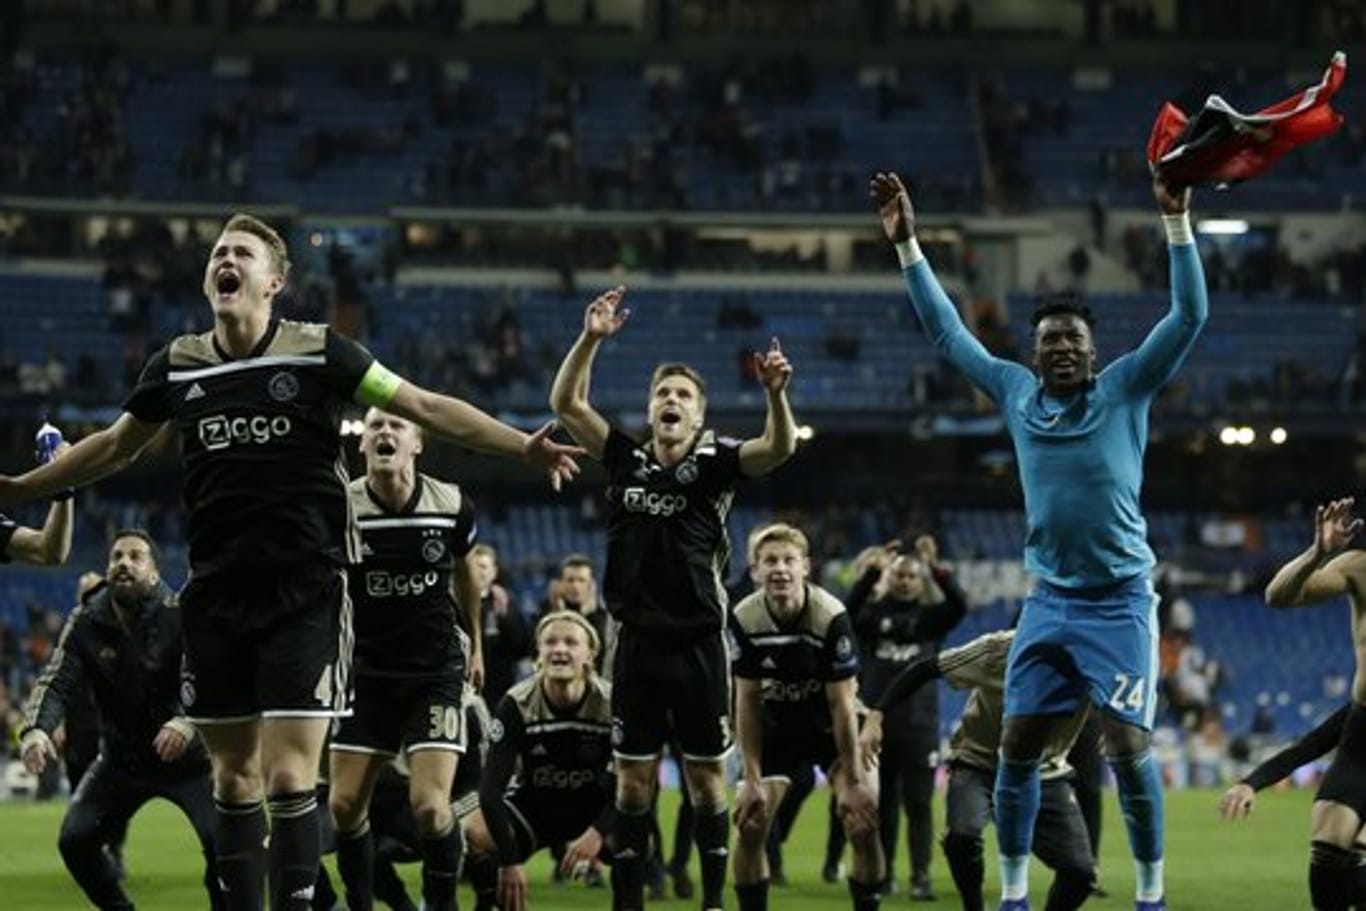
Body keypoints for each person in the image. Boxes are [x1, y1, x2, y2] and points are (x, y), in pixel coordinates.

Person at [0, 213, 582, 911]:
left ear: (274, 281)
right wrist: (21, 488)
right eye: (218, 252)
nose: (226, 260)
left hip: (305, 592)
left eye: (242, 252)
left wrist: (522, 446)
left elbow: (424, 404)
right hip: (215, 597)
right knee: (232, 782)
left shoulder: (320, 353)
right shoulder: (180, 363)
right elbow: (116, 444)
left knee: (286, 778)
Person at [872, 170, 1207, 911]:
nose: (1059, 348)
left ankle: (1152, 894)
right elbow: (946, 333)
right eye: (1048, 339)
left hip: (1120, 600)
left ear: (1092, 351)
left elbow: (1187, 317)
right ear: (1034, 350)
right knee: (1018, 746)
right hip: (1049, 600)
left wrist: (1176, 223)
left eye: (1072, 340)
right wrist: (909, 249)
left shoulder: (1124, 388)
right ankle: (1015, 897)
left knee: (1126, 748)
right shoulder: (1017, 393)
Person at [549, 285, 799, 911]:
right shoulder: (625, 459)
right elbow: (565, 402)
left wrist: (775, 396)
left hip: (697, 645)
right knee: (633, 784)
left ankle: (713, 901)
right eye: (662, 393)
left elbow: (780, 448)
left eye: (683, 395)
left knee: (707, 783)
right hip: (634, 643)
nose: (670, 400)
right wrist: (592, 339)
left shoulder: (719, 463)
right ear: (650, 408)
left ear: (699, 416)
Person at [327, 406, 482, 911]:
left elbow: (465, 575)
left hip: (433, 671)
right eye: (375, 426)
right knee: (344, 807)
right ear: (362, 443)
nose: (385, 431)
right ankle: (361, 903)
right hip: (364, 673)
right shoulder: (339, 508)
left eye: (398, 425)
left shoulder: (453, 504)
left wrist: (476, 642)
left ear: (418, 443)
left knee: (431, 807)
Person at [20, 530, 224, 911]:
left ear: (154, 572)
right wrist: (35, 730)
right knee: (75, 840)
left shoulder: (180, 613)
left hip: (191, 764)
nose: (123, 564)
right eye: (116, 557)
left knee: (226, 847)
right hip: (121, 761)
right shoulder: (84, 620)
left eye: (135, 556)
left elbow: (212, 677)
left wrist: (186, 722)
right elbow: (56, 678)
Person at [861, 631, 1095, 911]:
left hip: (1046, 772)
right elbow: (926, 668)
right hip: (978, 763)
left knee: (1081, 874)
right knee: (962, 837)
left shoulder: (1096, 661)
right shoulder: (1000, 650)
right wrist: (877, 715)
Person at [730, 523, 883, 911]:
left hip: (831, 728)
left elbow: (842, 705)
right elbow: (745, 700)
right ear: (755, 571)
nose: (780, 569)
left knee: (862, 822)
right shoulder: (744, 617)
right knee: (749, 825)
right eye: (770, 561)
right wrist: (749, 779)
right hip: (775, 726)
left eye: (788, 560)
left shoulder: (831, 615)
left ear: (805, 567)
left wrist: (852, 780)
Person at [463, 610, 617, 911]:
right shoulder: (516, 704)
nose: (560, 649)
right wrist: (509, 861)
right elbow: (490, 792)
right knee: (477, 831)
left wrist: (598, 831)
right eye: (551, 642)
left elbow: (638, 784)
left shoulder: (612, 704)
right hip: (536, 809)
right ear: (539, 653)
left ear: (590, 655)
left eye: (571, 642)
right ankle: (488, 905)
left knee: (635, 837)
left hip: (593, 810)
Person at [849, 534, 967, 899]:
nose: (904, 581)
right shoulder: (872, 616)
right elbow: (847, 610)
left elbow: (960, 604)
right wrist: (872, 573)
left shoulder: (932, 620)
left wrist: (936, 568)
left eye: (912, 576)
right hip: (876, 729)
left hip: (920, 726)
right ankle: (883, 876)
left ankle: (920, 877)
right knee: (881, 806)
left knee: (919, 805)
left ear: (920, 582)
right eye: (899, 575)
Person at [1264, 497, 1366, 911]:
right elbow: (1279, 596)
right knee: (1329, 845)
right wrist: (1318, 554)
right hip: (1363, 731)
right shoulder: (1360, 566)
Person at [472, 543, 531, 709]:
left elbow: (521, 647)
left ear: (494, 572)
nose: (479, 571)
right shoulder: (453, 602)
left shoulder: (505, 602)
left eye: (483, 566)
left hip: (499, 689)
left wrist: (506, 616)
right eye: (474, 566)